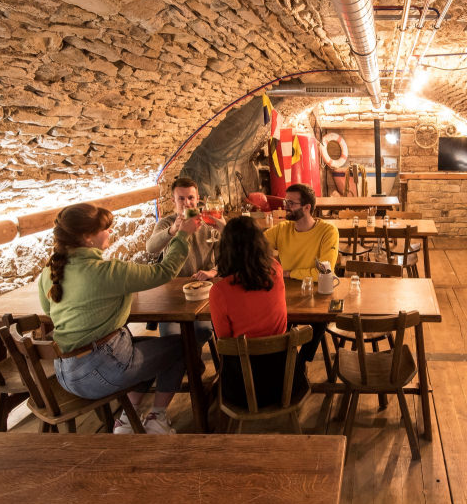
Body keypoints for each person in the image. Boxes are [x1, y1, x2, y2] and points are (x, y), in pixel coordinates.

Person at [38, 202, 202, 434]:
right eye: (105, 228)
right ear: (87, 237)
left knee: (150, 351)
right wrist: (183, 234)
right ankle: (157, 419)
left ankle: (128, 417)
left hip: (64, 374)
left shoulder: (50, 271)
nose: (110, 232)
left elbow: (48, 312)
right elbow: (164, 271)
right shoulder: (106, 272)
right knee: (183, 346)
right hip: (101, 371)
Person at [208, 216, 307, 409]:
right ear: (261, 243)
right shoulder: (276, 271)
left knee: (230, 353)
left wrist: (229, 234)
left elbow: (224, 342)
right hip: (286, 382)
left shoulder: (219, 291)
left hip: (243, 389)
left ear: (225, 249)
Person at [264, 183, 338, 363]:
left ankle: (300, 364)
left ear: (307, 207)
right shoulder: (282, 229)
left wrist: (288, 273)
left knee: (319, 321)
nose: (285, 207)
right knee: (276, 323)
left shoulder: (328, 232)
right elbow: (254, 246)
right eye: (285, 201)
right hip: (285, 294)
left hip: (317, 293)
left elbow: (325, 272)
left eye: (290, 203)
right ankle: (286, 365)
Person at [146, 176, 221, 344]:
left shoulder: (208, 223)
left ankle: (191, 363)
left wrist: (212, 271)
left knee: (202, 331)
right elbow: (151, 248)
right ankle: (190, 364)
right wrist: (173, 230)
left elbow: (225, 258)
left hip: (203, 290)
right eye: (181, 198)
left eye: (190, 198)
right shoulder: (167, 223)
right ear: (173, 201)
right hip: (174, 293)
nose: (187, 203)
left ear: (198, 199)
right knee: (171, 338)